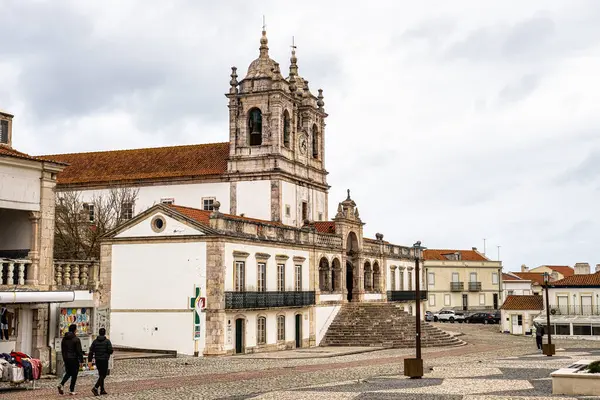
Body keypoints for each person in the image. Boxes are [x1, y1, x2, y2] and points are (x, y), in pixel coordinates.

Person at [58, 324, 84, 395]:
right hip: (74, 358)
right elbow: (79, 351)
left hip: (66, 358)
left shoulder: (64, 338)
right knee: (74, 374)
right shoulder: (76, 339)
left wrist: (64, 357)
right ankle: (71, 390)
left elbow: (62, 349)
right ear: (75, 330)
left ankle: (61, 384)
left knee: (69, 372)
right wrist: (81, 361)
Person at [88, 328, 113, 396]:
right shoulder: (107, 341)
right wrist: (107, 353)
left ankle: (102, 389)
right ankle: (95, 387)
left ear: (99, 333)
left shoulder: (95, 341)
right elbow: (111, 350)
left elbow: (91, 351)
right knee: (103, 375)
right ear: (104, 333)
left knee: (100, 374)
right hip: (104, 360)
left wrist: (89, 360)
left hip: (98, 360)